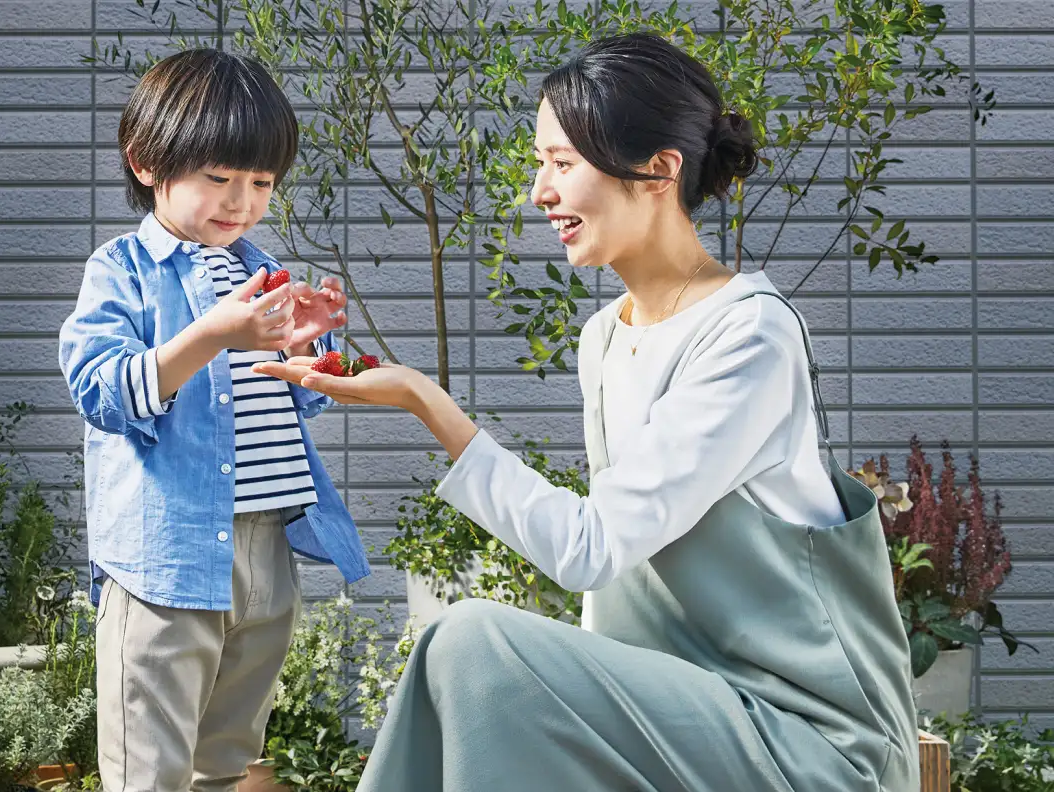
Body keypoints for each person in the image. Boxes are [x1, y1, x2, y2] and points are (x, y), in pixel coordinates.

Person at [254, 32, 919, 792]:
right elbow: (618, 592)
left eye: (563, 163)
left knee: (471, 641)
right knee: (470, 673)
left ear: (659, 170)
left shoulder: (750, 334)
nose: (540, 191)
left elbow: (591, 548)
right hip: (677, 713)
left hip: (807, 741)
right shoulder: (606, 337)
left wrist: (424, 402)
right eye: (542, 163)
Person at [57, 48, 370, 792]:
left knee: (226, 762)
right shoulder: (122, 269)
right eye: (220, 178)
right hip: (166, 557)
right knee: (149, 769)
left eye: (261, 182)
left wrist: (314, 349)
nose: (242, 201)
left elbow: (305, 398)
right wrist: (213, 336)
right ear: (146, 163)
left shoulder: (259, 270)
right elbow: (102, 391)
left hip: (267, 547)